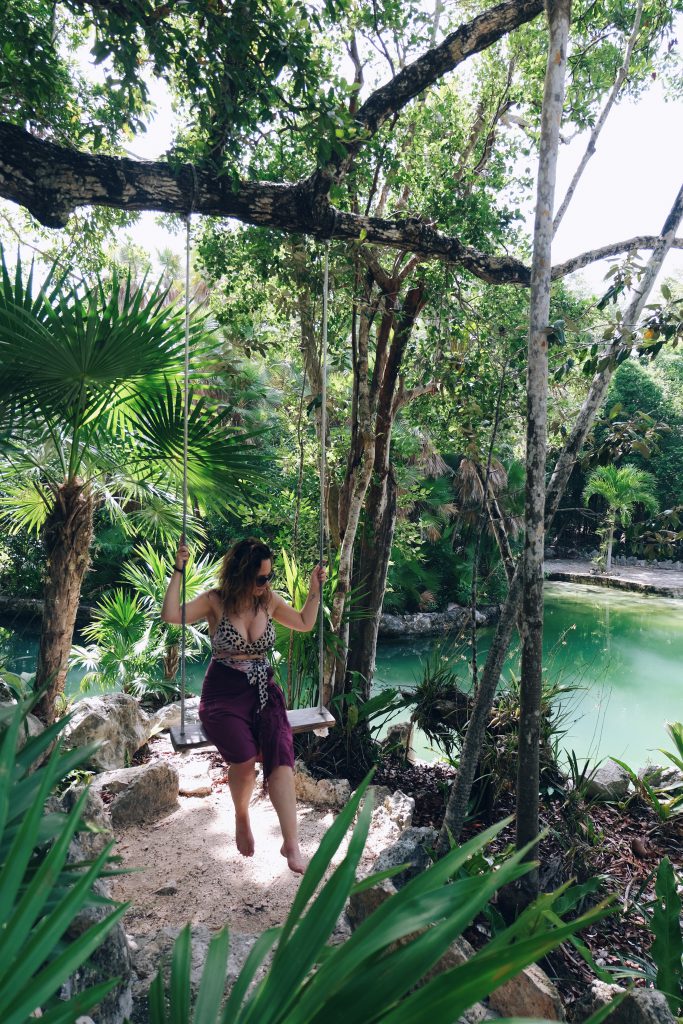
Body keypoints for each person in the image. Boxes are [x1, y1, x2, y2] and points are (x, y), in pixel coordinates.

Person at [161, 537, 326, 875]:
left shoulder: (268, 601)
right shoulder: (215, 601)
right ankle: (241, 815)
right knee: (245, 758)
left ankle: (291, 843)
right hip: (223, 692)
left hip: (263, 690)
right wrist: (179, 569)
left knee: (281, 757)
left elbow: (305, 623)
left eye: (269, 578)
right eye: (260, 578)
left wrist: (314, 590)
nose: (265, 584)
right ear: (240, 574)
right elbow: (171, 615)